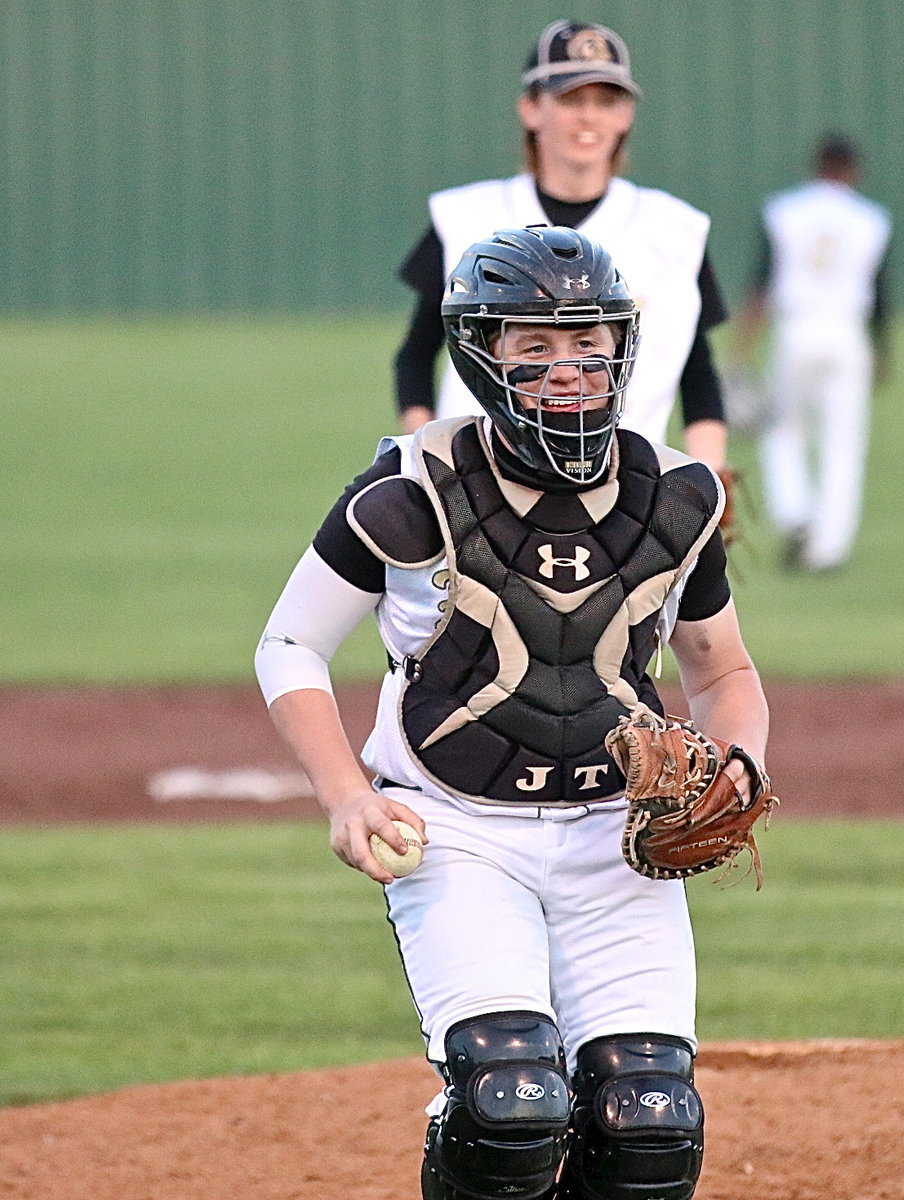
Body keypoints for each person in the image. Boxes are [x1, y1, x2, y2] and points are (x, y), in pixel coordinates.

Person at [255, 225, 771, 1200]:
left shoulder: (677, 495)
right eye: (531, 346)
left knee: (651, 1119)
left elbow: (722, 668)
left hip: (616, 836)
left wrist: (738, 763)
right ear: (479, 354)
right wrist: (343, 795)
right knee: (511, 1102)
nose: (568, 367)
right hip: (451, 830)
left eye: (590, 340)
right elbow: (288, 645)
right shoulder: (409, 490)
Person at [394, 19, 731, 476]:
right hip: (482, 479)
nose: (589, 116)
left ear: (625, 115)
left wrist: (708, 474)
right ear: (531, 108)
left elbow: (697, 372)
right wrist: (428, 459)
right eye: (571, 98)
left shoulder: (674, 227)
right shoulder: (466, 215)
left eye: (606, 100)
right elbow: (416, 356)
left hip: (630, 490)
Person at [735, 134, 893, 571]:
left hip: (796, 330)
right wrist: (882, 353)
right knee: (843, 443)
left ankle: (795, 513)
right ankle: (829, 548)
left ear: (816, 165)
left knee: (781, 429)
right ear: (854, 171)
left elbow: (761, 283)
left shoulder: (783, 211)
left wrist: (742, 350)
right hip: (847, 333)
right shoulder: (871, 219)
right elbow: (881, 293)